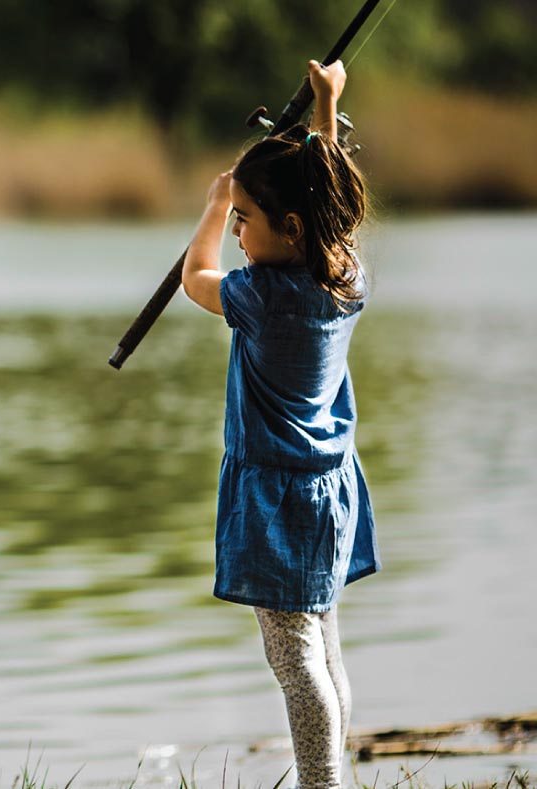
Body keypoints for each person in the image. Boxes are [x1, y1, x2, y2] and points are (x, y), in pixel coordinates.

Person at [179, 60, 379, 788]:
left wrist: (208, 202)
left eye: (244, 221)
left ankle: (321, 784)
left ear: (287, 226)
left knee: (295, 663)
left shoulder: (261, 297)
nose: (234, 233)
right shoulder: (345, 277)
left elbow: (191, 278)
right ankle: (329, 777)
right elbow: (331, 201)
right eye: (232, 220)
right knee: (324, 647)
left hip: (275, 501)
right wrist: (327, 107)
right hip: (331, 491)